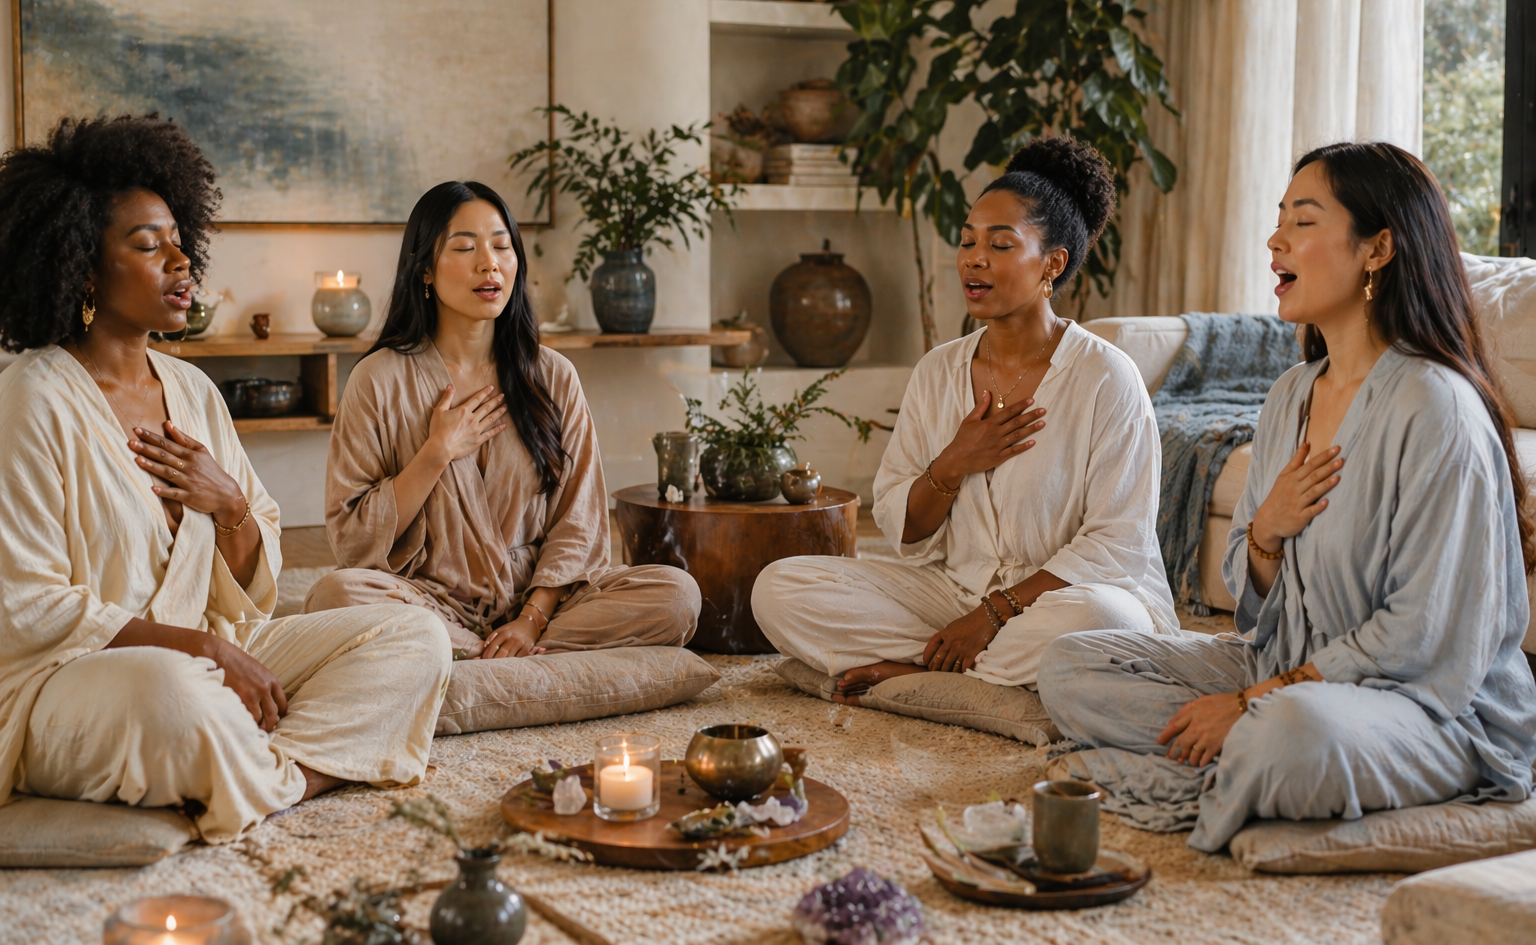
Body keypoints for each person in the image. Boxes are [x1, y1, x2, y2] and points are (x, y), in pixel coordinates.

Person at [1038, 142, 1536, 851]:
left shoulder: (1436, 408)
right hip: (1282, 669)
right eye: (1279, 219)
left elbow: (1422, 637)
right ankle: (1244, 763)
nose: (1275, 239)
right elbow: (1254, 593)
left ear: (1378, 248)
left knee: (1292, 734)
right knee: (1068, 667)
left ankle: (1223, 765)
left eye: (1302, 221)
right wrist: (1267, 534)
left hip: (1424, 709)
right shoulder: (1290, 396)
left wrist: (1248, 706)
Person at [0, 115, 452, 844]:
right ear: (81, 263)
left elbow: (255, 572)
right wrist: (204, 652)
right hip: (84, 681)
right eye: (149, 245)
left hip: (212, 655)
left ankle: (270, 779)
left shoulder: (191, 390)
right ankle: (272, 766)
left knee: (415, 637)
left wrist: (230, 503)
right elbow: (23, 606)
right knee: (172, 695)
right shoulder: (30, 397)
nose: (182, 261)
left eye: (182, 240)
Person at [752, 137, 1178, 703]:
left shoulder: (1106, 377)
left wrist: (994, 614)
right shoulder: (938, 371)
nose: (974, 259)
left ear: (1054, 263)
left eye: (1000, 245)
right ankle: (980, 668)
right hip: (954, 592)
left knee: (1104, 622)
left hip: (1065, 600)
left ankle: (926, 671)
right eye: (967, 241)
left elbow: (1117, 545)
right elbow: (903, 530)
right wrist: (954, 461)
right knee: (779, 588)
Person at [305, 181, 700, 660]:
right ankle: (485, 654)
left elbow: (580, 521)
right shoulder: (378, 379)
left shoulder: (552, 375)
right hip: (429, 605)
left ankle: (480, 659)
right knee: (336, 596)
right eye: (465, 247)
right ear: (425, 269)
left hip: (538, 604)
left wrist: (531, 621)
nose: (488, 263)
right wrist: (436, 453)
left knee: (677, 595)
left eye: (501, 245)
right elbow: (352, 540)